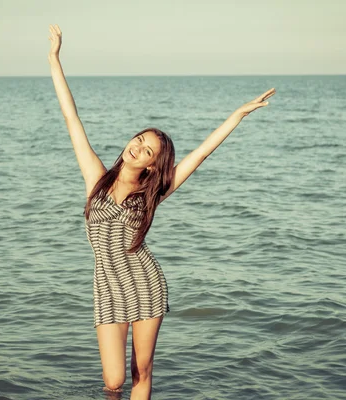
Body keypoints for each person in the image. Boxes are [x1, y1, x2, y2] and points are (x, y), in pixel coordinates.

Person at [48, 24, 275, 399]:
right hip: (105, 287)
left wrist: (237, 115)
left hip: (145, 284)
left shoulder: (153, 193)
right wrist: (54, 59)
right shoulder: (96, 179)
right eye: (138, 140)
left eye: (148, 150)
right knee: (112, 381)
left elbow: (199, 154)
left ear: (154, 165)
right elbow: (73, 119)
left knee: (141, 371)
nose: (137, 148)